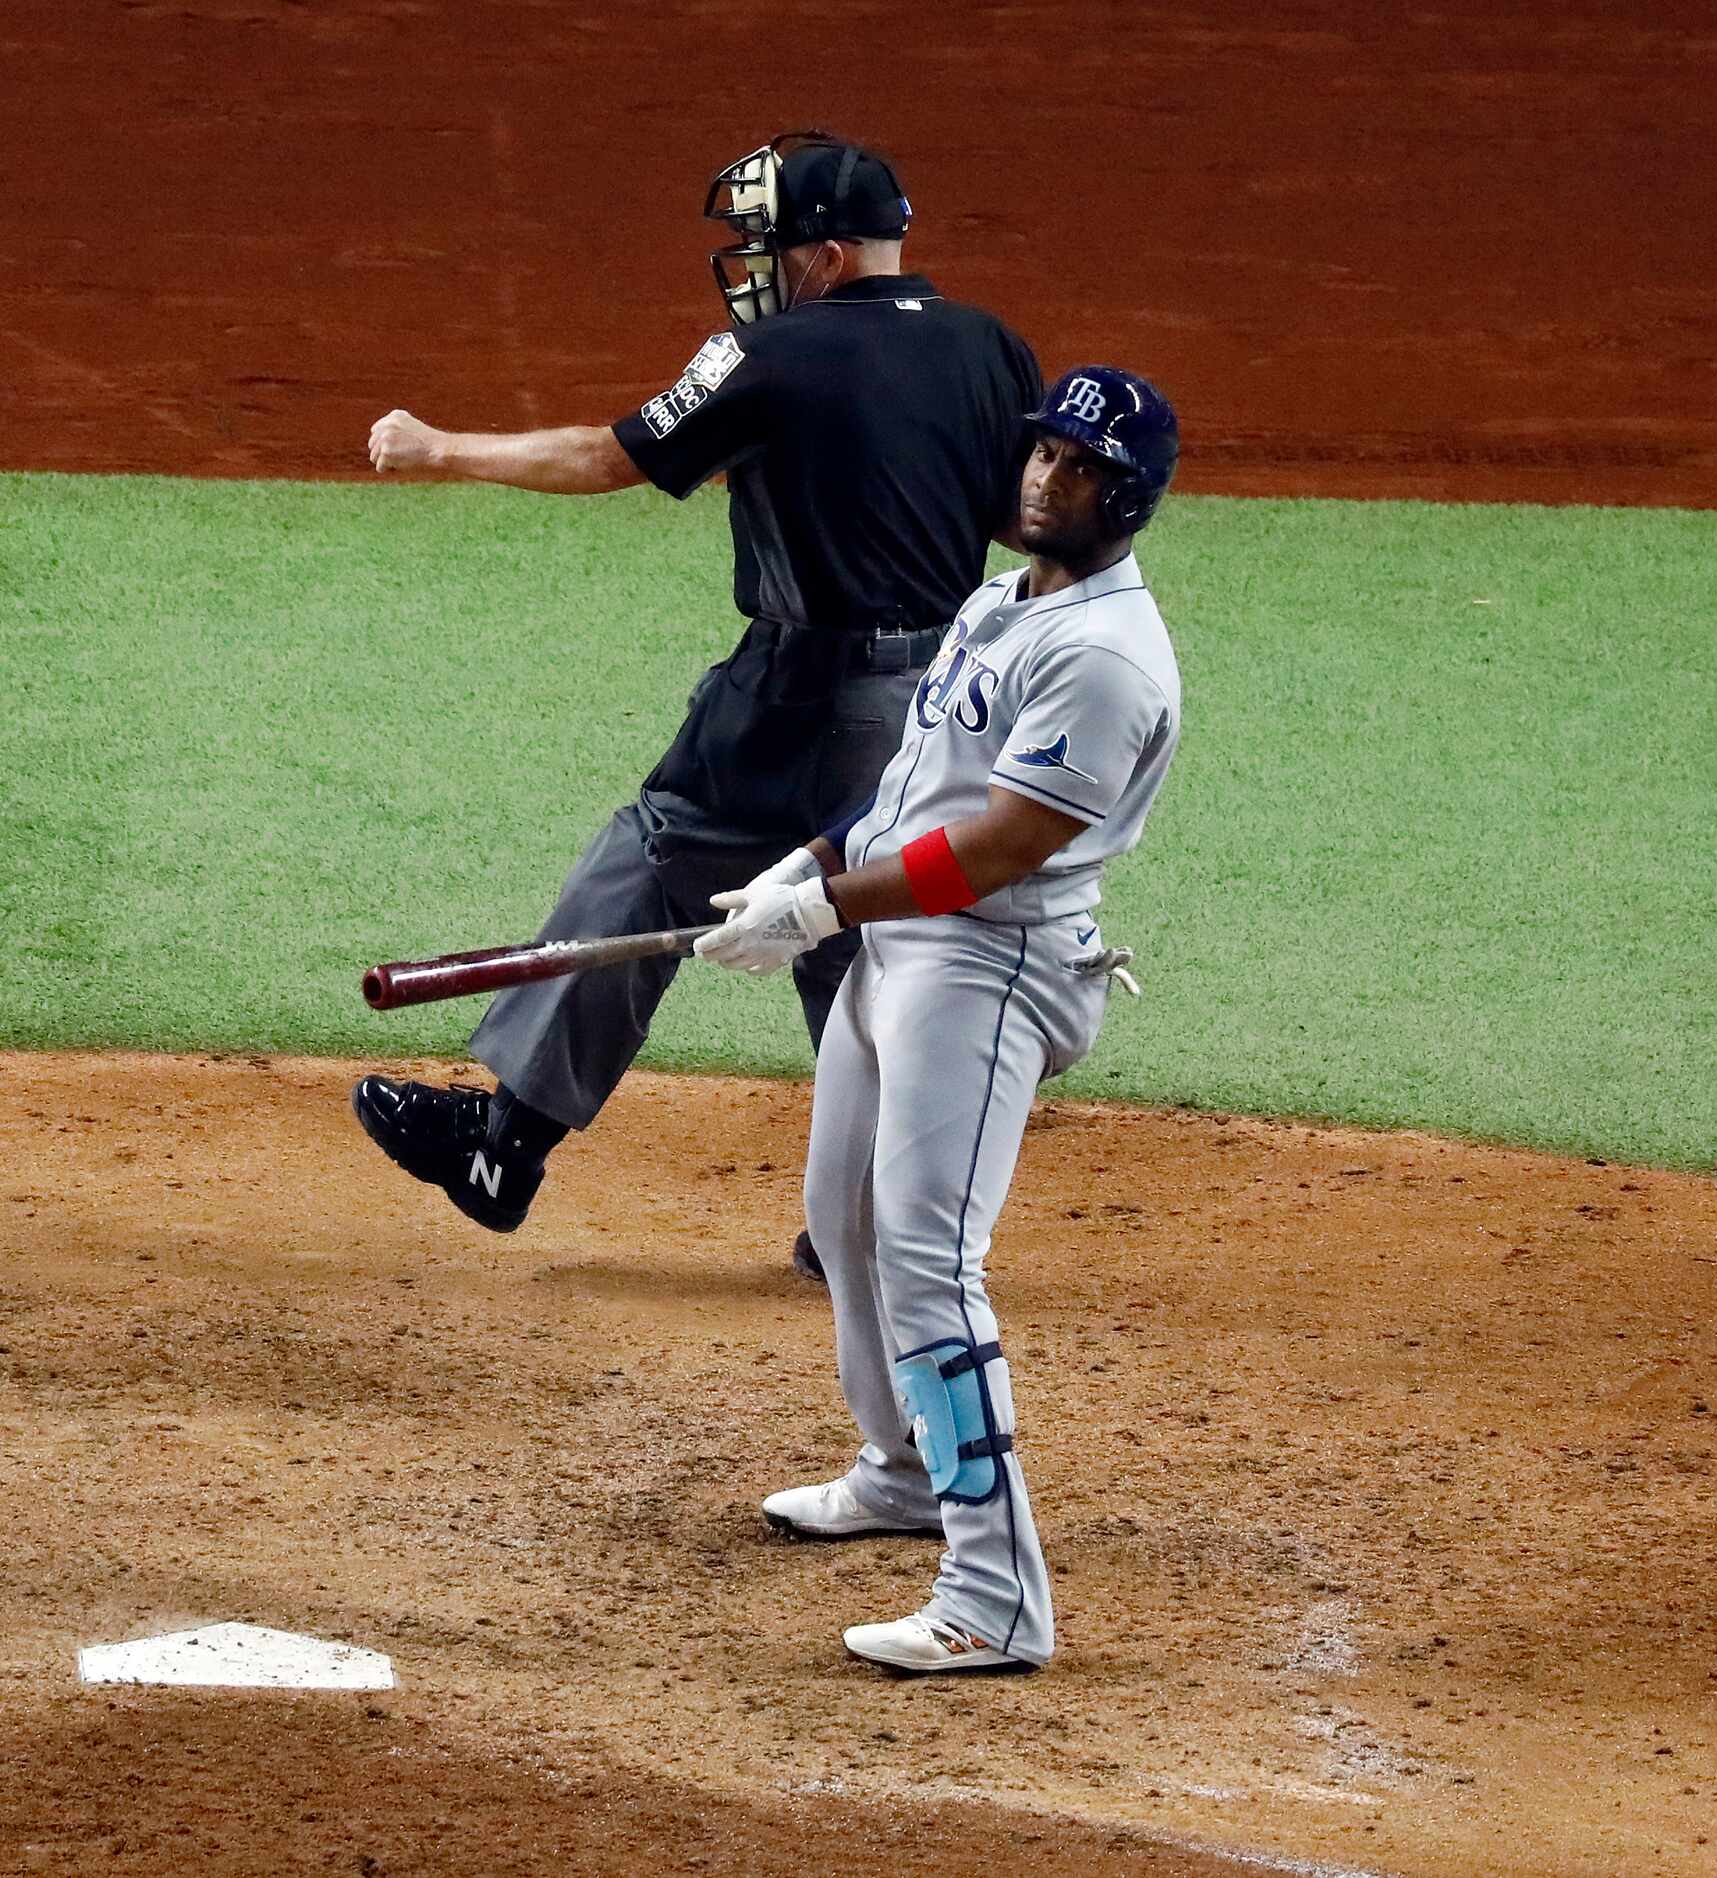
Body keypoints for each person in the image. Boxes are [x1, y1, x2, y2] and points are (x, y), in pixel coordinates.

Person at [349, 132, 1041, 1268]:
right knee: (852, 924)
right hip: (937, 703)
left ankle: (503, 1142)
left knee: (653, 856)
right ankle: (875, 1223)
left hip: (798, 689)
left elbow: (602, 456)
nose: (749, 266)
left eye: (764, 244)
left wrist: (437, 450)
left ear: (822, 253)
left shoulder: (766, 356)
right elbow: (1015, 520)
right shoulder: (990, 349)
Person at [702, 366, 1182, 1673]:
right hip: (901, 942)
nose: (1042, 475)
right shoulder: (1000, 601)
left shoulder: (1103, 656)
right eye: (1039, 452)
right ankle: (906, 1466)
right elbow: (919, 789)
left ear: (1123, 495)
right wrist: (811, 864)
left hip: (986, 968)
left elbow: (995, 847)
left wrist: (822, 910)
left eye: (1074, 465)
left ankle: (996, 1591)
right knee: (842, 1218)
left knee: (926, 1258)